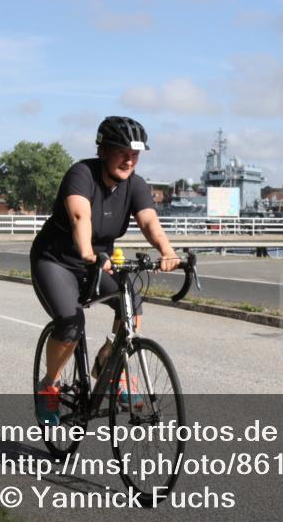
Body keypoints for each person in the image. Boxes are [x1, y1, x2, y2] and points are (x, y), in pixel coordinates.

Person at [31, 116, 179, 424]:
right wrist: (86, 250)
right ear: (103, 151)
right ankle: (50, 386)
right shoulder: (81, 174)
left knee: (132, 304)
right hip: (56, 261)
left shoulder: (135, 185)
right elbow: (79, 215)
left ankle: (108, 367)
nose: (129, 160)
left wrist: (167, 251)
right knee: (71, 323)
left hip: (99, 264)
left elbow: (150, 222)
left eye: (135, 154)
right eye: (122, 152)